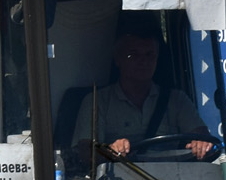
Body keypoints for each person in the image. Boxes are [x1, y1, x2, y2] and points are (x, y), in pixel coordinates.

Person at [71, 25, 214, 163]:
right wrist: (110, 150)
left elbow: (202, 135)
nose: (143, 61)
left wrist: (201, 143)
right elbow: (86, 153)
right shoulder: (97, 101)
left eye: (149, 55)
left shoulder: (177, 100)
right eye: (133, 55)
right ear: (118, 60)